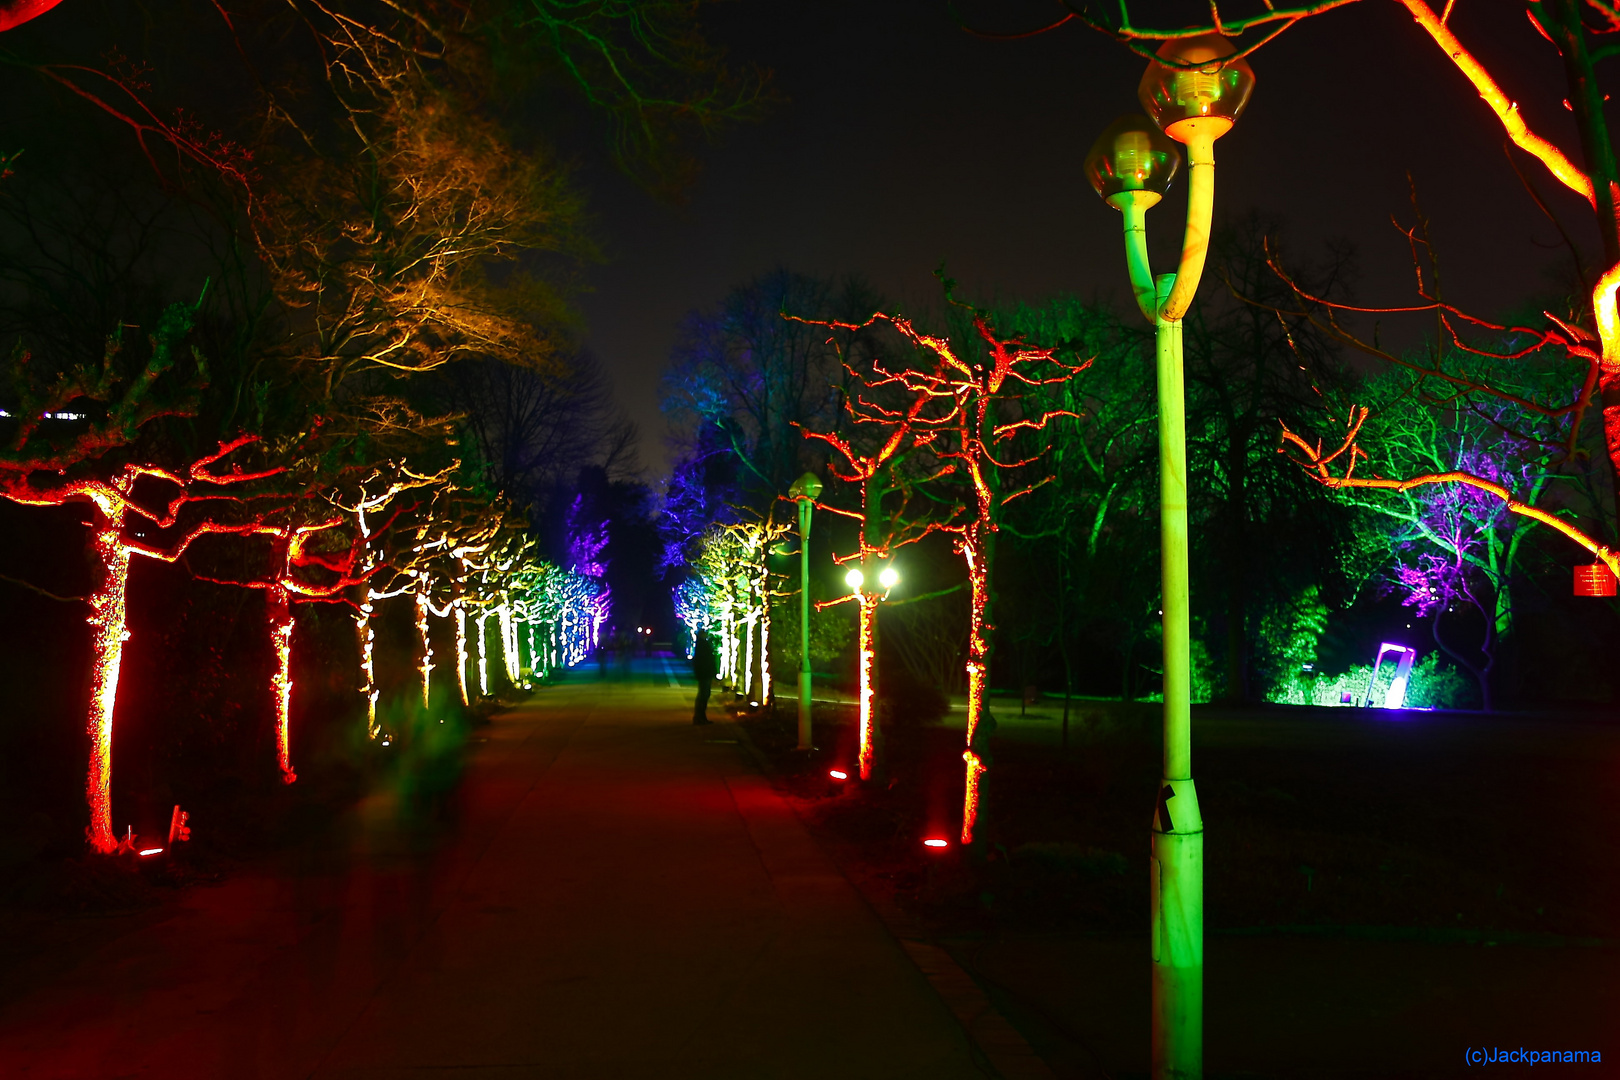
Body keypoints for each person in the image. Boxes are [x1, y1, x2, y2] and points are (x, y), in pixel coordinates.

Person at [691, 630, 717, 725]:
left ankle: (700, 717)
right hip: (705, 673)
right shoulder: (703, 645)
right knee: (704, 695)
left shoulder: (700, 644)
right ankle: (700, 717)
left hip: (703, 673)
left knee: (703, 694)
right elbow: (707, 660)